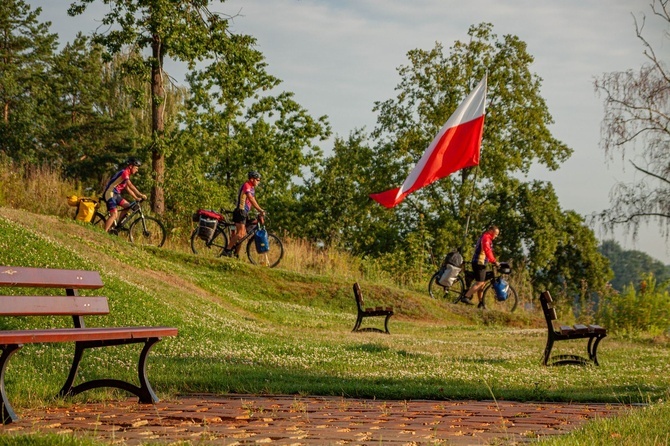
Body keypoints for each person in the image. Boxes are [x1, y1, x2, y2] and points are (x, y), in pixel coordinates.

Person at [224, 170, 265, 256]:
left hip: (245, 212)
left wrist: (258, 211)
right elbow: (250, 198)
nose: (259, 181)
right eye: (257, 179)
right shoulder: (247, 185)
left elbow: (253, 201)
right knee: (240, 234)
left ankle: (236, 254)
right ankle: (227, 250)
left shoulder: (252, 188)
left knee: (243, 235)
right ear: (252, 179)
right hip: (240, 211)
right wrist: (260, 210)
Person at [102, 157, 147, 233]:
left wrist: (136, 197)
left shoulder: (126, 175)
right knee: (114, 214)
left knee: (127, 206)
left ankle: (117, 226)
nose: (137, 170)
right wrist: (140, 194)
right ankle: (103, 233)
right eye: (136, 168)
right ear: (130, 166)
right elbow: (131, 185)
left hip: (116, 195)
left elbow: (128, 189)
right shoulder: (124, 173)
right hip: (110, 193)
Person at [462, 225, 500, 306]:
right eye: (496, 234)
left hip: (481, 262)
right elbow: (487, 250)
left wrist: (492, 260)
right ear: (491, 231)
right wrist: (494, 261)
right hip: (479, 262)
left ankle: (481, 303)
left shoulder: (485, 237)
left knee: (482, 283)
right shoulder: (486, 238)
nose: (496, 236)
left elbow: (488, 252)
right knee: (480, 282)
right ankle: (466, 296)